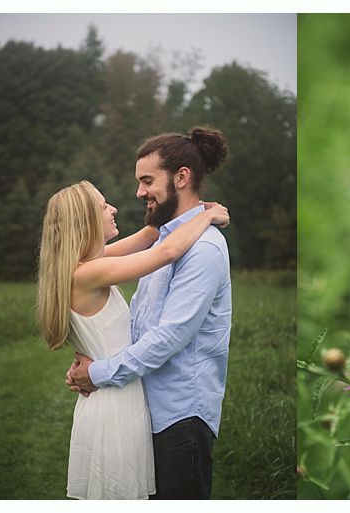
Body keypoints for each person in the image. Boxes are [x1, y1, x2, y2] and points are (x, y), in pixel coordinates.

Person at [65, 126, 233, 499]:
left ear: (182, 177)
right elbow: (142, 321)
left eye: (147, 180)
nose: (140, 192)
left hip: (180, 417)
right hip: (142, 408)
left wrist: (99, 372)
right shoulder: (166, 239)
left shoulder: (203, 249)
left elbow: (168, 337)